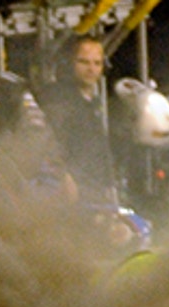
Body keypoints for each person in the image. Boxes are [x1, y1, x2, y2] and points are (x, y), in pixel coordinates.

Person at [36, 35, 121, 204]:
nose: (91, 69)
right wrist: (63, 176)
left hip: (93, 191)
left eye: (97, 63)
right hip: (69, 196)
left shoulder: (90, 103)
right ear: (68, 64)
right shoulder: (56, 99)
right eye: (84, 62)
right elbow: (48, 143)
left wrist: (109, 184)